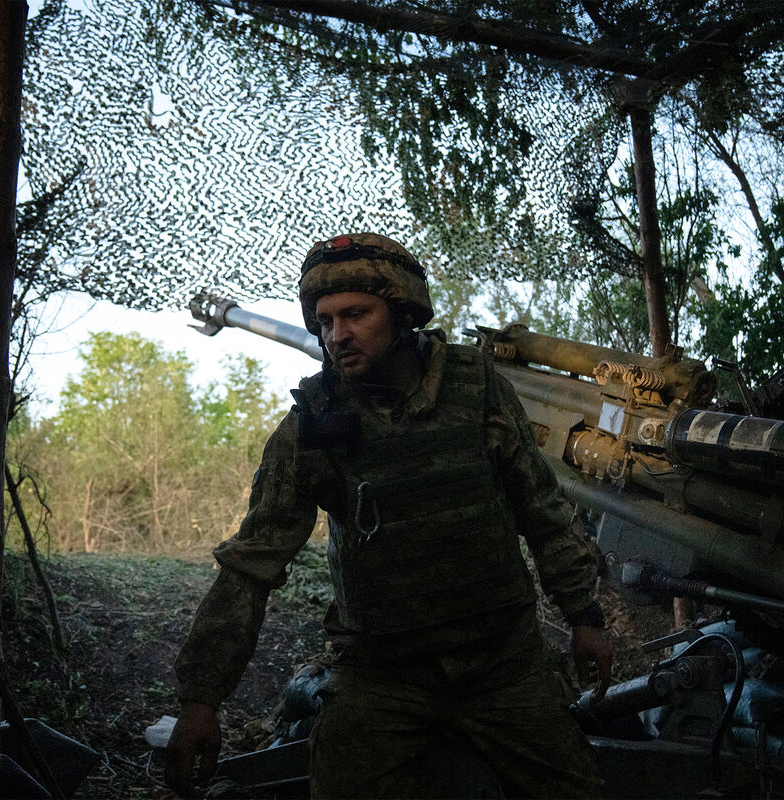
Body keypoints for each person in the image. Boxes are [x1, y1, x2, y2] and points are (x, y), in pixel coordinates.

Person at [165, 233, 613, 798]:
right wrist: (201, 700)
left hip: (501, 664)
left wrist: (584, 617)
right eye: (324, 321)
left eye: (355, 314)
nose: (337, 335)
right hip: (383, 675)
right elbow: (250, 565)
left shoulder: (475, 390)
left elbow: (540, 507)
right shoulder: (313, 425)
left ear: (402, 313)